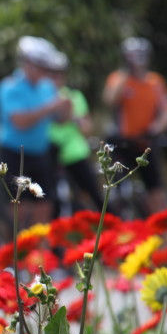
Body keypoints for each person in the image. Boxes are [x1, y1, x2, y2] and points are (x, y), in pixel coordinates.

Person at [0, 36, 72, 226]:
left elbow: (61, 121)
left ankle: (41, 251)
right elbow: (20, 122)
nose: (44, 72)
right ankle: (15, 248)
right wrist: (51, 106)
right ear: (27, 63)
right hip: (15, 153)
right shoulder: (9, 86)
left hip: (40, 153)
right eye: (40, 66)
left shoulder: (47, 87)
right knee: (18, 208)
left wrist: (65, 108)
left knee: (44, 204)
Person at [102, 37, 167, 213]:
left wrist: (156, 128)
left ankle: (159, 230)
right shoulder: (118, 78)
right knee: (116, 187)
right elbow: (110, 100)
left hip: (145, 142)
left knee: (155, 191)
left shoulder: (155, 82)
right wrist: (126, 74)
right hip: (121, 141)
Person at [46, 50, 104, 215]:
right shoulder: (41, 97)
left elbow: (86, 127)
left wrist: (70, 115)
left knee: (93, 193)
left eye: (59, 74)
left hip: (74, 153)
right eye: (52, 74)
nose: (56, 79)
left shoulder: (74, 96)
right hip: (49, 154)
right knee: (50, 199)